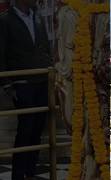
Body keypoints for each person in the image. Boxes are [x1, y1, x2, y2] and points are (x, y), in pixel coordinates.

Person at [0, 0, 52, 179]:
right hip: (22, 82)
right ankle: (18, 173)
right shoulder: (5, 20)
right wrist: (7, 83)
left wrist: (50, 68)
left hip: (42, 80)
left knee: (38, 128)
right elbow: (1, 52)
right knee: (26, 128)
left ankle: (30, 171)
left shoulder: (37, 19)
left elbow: (45, 47)